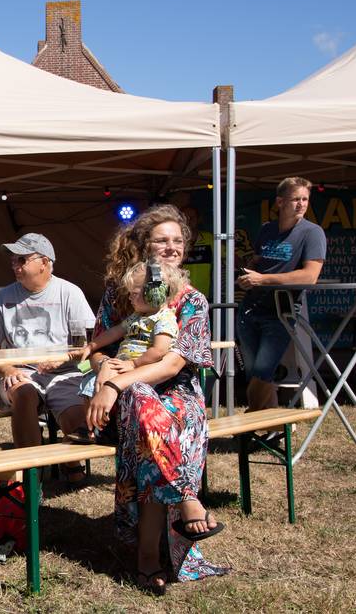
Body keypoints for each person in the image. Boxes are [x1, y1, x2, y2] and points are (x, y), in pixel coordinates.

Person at [87, 204, 226, 593]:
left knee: (151, 413)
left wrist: (117, 383)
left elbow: (171, 365)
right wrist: (103, 372)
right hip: (128, 395)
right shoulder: (121, 294)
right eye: (161, 240)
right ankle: (185, 499)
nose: (171, 247)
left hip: (176, 391)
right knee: (144, 403)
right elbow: (98, 346)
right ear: (143, 247)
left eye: (178, 240)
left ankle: (148, 558)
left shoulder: (192, 300)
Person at [0, 233, 96, 456]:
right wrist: (8, 369)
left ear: (44, 262)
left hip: (65, 373)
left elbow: (90, 345)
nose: (15, 265)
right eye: (13, 260)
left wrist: (63, 359)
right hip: (21, 372)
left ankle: (71, 467)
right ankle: (30, 473)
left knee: (75, 419)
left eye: (22, 259)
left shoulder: (70, 293)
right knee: (24, 393)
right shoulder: (3, 296)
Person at [236, 177, 327, 411]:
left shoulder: (312, 233)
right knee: (254, 372)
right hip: (249, 308)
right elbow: (259, 262)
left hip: (281, 312)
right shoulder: (267, 229)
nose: (301, 204)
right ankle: (274, 429)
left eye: (305, 199)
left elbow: (309, 276)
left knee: (263, 372)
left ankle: (249, 427)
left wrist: (262, 279)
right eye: (295, 199)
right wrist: (247, 272)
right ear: (280, 202)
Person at [73, 261, 185, 408]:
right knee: (84, 370)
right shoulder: (137, 316)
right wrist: (92, 346)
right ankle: (93, 424)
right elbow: (115, 331)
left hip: (138, 373)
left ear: (154, 293)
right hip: (122, 366)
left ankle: (96, 424)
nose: (130, 298)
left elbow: (159, 351)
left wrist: (133, 364)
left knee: (93, 383)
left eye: (134, 293)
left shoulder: (164, 319)